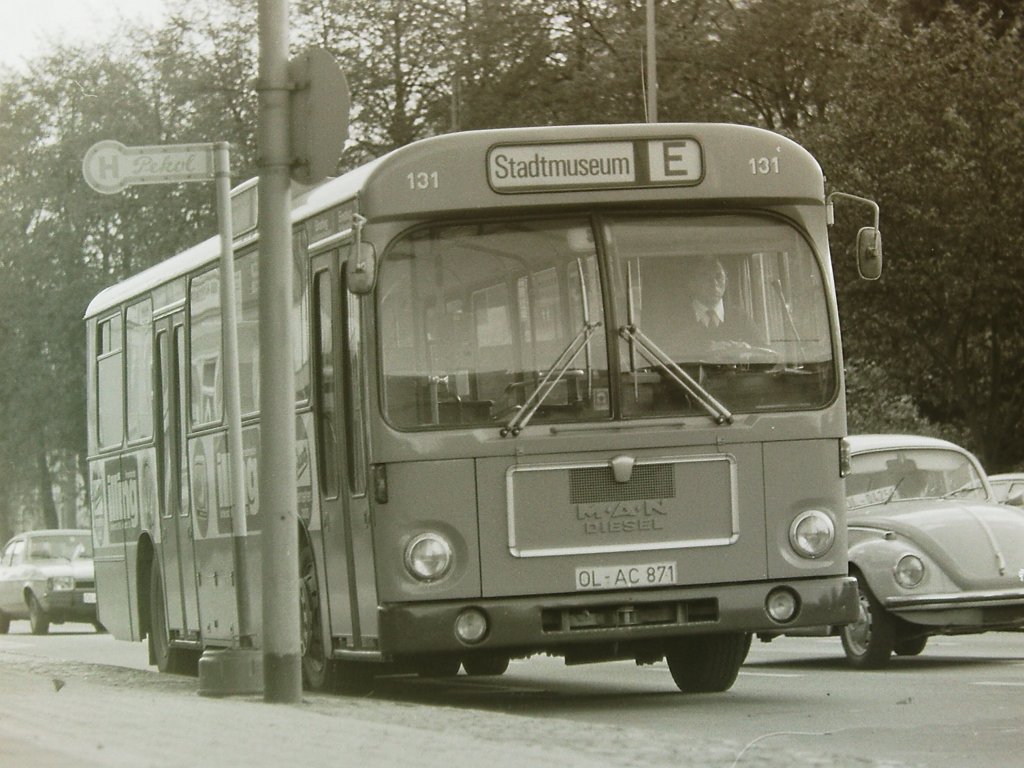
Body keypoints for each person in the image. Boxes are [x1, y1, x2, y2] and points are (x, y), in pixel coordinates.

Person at [682, 257, 758, 352]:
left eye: (719, 277)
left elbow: (767, 356)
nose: (714, 283)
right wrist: (705, 350)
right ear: (692, 283)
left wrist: (749, 349)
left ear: (726, 282)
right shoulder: (677, 318)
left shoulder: (740, 317)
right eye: (705, 276)